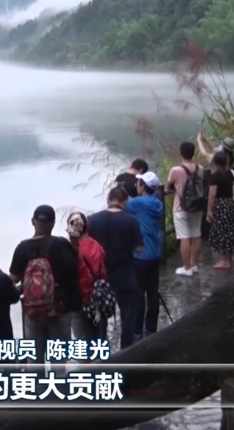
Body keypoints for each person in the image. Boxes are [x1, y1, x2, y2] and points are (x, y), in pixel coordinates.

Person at [9, 205, 81, 371]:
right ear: (53, 224)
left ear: (33, 222)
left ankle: (37, 387)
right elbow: (73, 272)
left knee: (34, 362)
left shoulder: (22, 248)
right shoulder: (61, 244)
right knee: (59, 363)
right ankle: (58, 387)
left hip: (32, 312)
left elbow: (13, 279)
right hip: (60, 309)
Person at [87, 187, 144, 350]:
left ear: (108, 200)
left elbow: (86, 246)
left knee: (100, 316)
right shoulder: (131, 220)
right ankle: (126, 350)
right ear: (124, 202)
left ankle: (101, 350)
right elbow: (139, 248)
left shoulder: (92, 220)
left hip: (100, 277)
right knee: (127, 315)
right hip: (125, 275)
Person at [126, 171, 165, 341]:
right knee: (153, 290)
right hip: (155, 253)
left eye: (138, 183)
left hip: (140, 254)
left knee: (139, 292)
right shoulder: (157, 203)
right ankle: (151, 327)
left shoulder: (138, 203)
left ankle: (137, 330)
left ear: (143, 186)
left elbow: (121, 204)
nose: (136, 185)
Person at [66, 211, 109, 343]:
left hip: (79, 302)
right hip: (97, 299)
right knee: (99, 337)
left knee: (82, 341)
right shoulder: (97, 245)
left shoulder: (71, 251)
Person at [166, 142, 205, 276]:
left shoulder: (175, 170)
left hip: (180, 207)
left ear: (181, 153)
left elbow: (169, 185)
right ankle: (193, 265)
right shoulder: (200, 168)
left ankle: (186, 267)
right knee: (196, 235)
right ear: (193, 153)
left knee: (184, 237)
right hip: (197, 206)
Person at [207, 151, 234, 269]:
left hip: (220, 205)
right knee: (229, 230)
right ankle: (229, 259)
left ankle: (224, 261)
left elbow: (212, 194)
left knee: (221, 231)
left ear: (215, 162)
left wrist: (209, 210)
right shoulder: (230, 174)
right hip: (229, 204)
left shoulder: (214, 176)